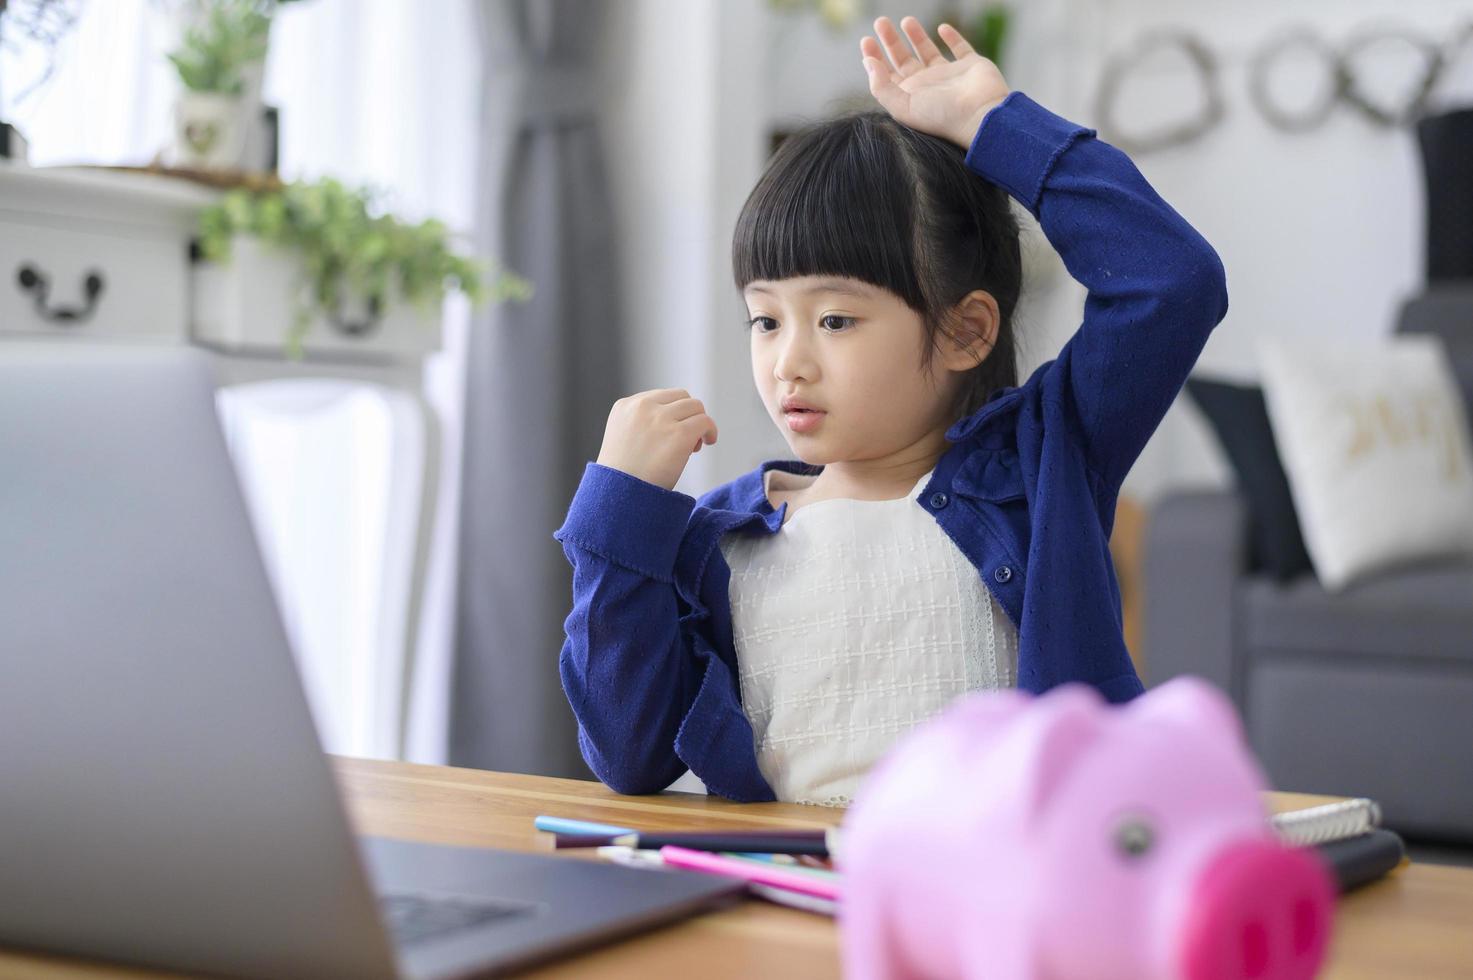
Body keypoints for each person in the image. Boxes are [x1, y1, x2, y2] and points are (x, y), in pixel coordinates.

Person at [553, 15, 1228, 804]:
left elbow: (1171, 282)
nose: (788, 362)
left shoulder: (1043, 465)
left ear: (964, 330)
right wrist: (617, 516)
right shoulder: (717, 541)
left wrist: (995, 125)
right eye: (765, 319)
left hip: (1006, 895)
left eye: (835, 320)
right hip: (802, 901)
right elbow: (628, 757)